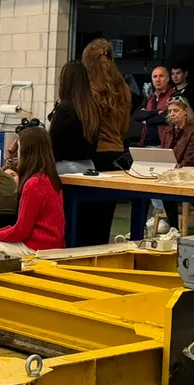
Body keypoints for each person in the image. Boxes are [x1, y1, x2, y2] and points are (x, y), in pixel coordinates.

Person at [0, 125, 65, 260]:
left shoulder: (33, 184)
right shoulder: (51, 179)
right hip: (51, 245)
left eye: (19, 150)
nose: (17, 155)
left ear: (27, 152)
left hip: (36, 247)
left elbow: (21, 231)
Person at [74, 39, 133, 246]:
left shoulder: (88, 89)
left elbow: (86, 127)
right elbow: (125, 127)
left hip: (94, 156)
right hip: (117, 155)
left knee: (84, 218)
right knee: (105, 216)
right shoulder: (123, 88)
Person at [48, 60, 99, 174]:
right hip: (89, 165)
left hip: (65, 167)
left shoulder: (65, 109)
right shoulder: (92, 109)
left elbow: (53, 143)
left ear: (64, 82)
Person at [134, 66, 177, 148]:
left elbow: (167, 117)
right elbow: (136, 115)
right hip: (146, 144)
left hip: (166, 144)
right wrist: (156, 112)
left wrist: (146, 121)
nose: (157, 80)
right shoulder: (150, 97)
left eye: (161, 76)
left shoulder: (175, 95)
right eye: (155, 76)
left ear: (168, 79)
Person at [164, 98, 194, 170]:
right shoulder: (167, 130)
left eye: (176, 110)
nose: (172, 114)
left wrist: (174, 170)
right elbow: (164, 155)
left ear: (185, 111)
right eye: (170, 111)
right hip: (170, 170)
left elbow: (190, 159)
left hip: (189, 171)